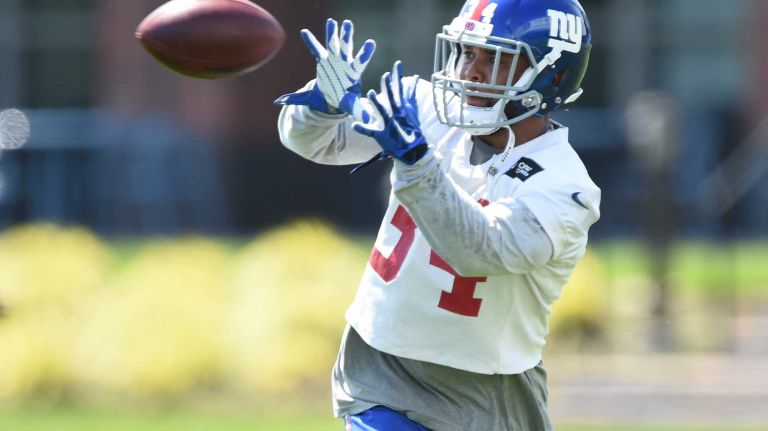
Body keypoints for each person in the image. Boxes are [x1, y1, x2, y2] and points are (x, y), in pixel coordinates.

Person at [275, 0, 600, 429]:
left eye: (495, 59)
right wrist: (322, 103)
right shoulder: (423, 104)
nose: (471, 73)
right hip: (380, 370)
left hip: (486, 394)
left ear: (551, 76)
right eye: (467, 52)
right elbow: (318, 142)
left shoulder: (564, 185)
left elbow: (482, 249)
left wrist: (417, 162)